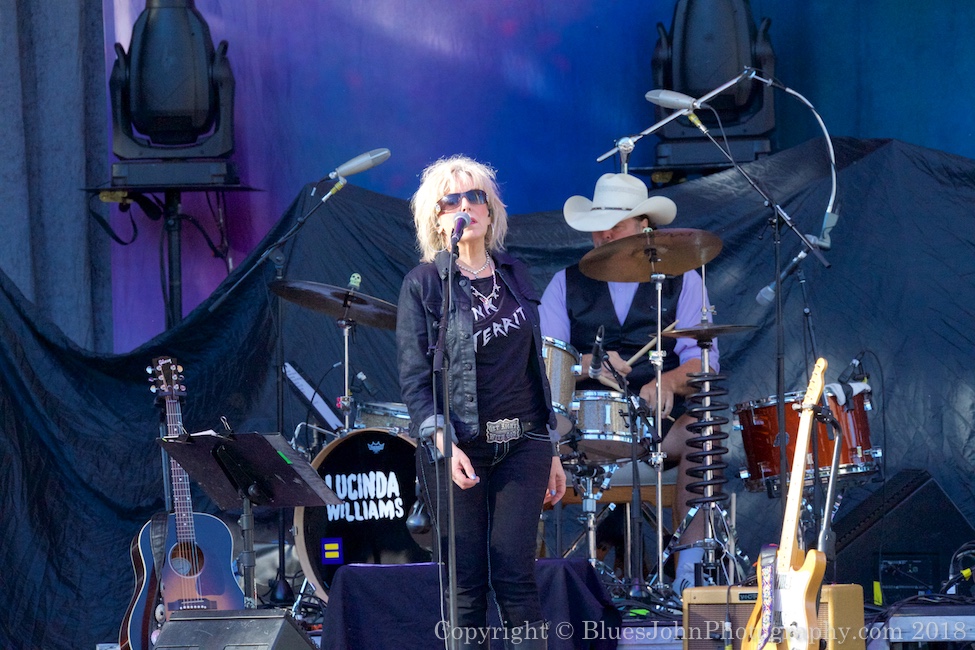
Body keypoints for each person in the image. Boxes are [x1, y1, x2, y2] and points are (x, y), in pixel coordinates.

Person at [396, 155, 567, 650]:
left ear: (491, 212)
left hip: (524, 443)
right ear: (437, 219)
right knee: (464, 581)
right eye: (452, 200)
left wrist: (552, 447)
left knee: (515, 573)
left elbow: (534, 368)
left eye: (476, 197)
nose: (466, 206)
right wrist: (444, 443)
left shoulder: (516, 273)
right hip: (459, 446)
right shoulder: (424, 284)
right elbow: (415, 381)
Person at [539, 172, 719, 594]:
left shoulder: (682, 281)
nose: (603, 236)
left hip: (660, 431)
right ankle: (530, 584)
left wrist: (667, 381)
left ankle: (690, 576)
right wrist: (588, 365)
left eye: (614, 226)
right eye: (597, 227)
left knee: (704, 431)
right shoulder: (565, 283)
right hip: (583, 432)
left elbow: (705, 364)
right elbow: (545, 366)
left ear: (644, 226)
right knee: (520, 437)